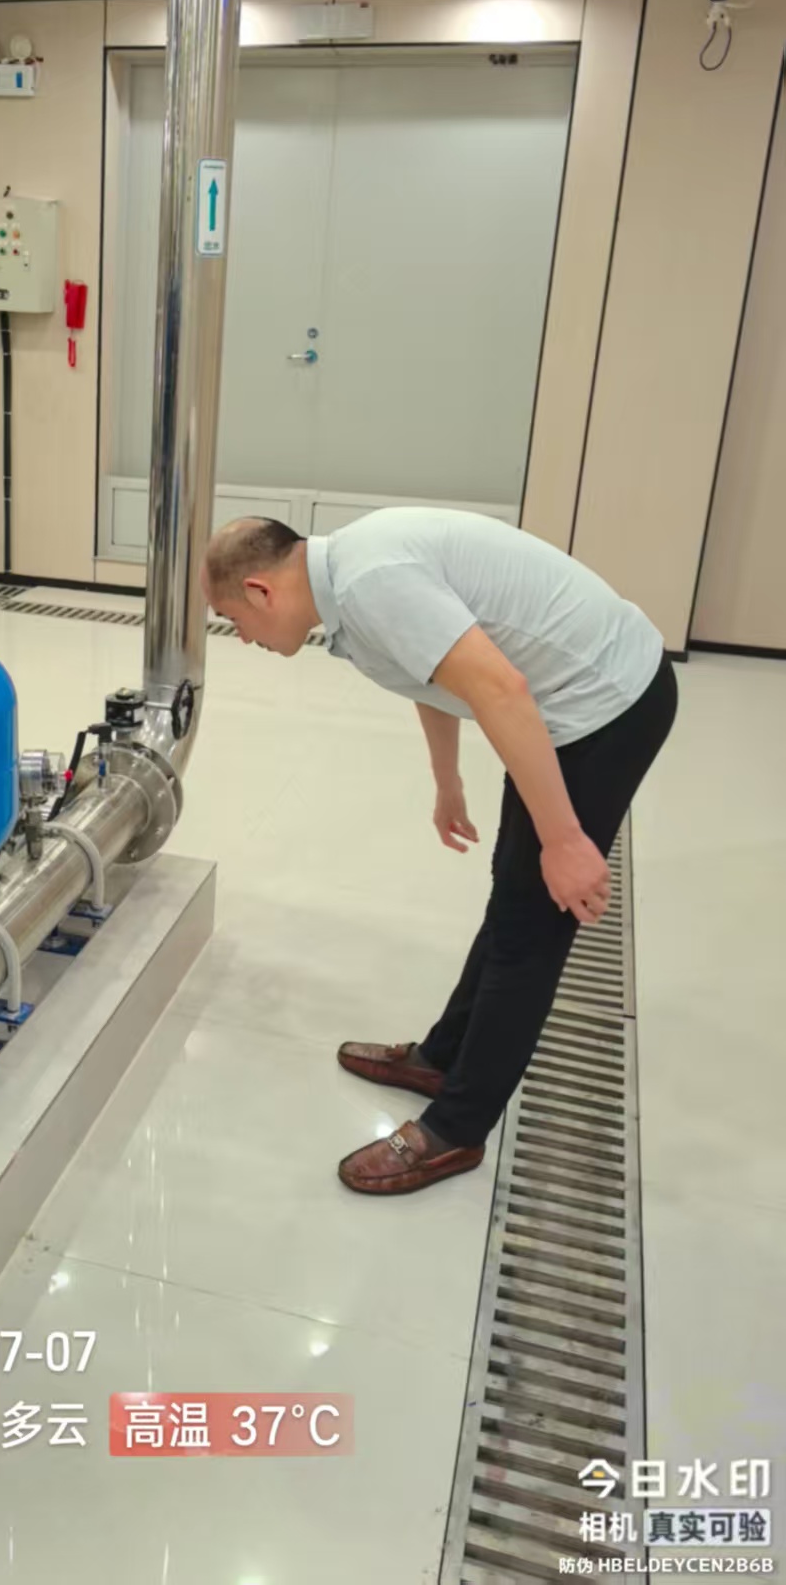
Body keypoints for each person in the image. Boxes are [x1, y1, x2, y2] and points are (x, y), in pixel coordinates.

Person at [200, 509, 677, 1196]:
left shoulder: (371, 582)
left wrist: (564, 839)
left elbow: (500, 689)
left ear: (260, 591)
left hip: (608, 703)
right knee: (514, 898)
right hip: (570, 699)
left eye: (232, 620)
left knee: (531, 929)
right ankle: (442, 1056)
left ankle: (456, 1128)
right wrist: (447, 780)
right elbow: (434, 674)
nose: (242, 638)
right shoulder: (348, 589)